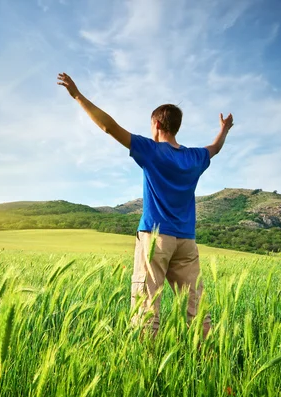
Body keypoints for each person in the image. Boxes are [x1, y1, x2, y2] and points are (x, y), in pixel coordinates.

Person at [57, 72, 233, 337]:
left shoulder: (150, 150)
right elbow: (215, 149)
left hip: (155, 239)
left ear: (157, 125)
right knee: (196, 308)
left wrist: (78, 96)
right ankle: (208, 360)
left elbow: (109, 127)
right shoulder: (195, 158)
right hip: (186, 241)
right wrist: (224, 129)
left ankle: (146, 367)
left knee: (147, 306)